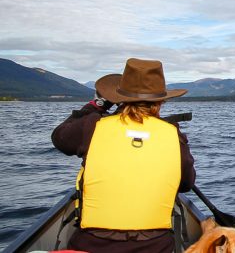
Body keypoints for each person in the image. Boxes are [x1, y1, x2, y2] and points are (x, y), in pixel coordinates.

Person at [51, 58, 196, 253]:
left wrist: (97, 105)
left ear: (119, 97)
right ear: (161, 101)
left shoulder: (93, 126)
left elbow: (59, 137)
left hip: (92, 245)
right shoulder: (174, 135)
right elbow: (186, 184)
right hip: (156, 247)